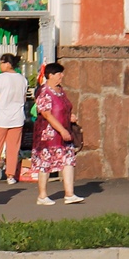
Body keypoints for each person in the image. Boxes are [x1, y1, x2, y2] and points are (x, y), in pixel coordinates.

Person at [31, 62, 83, 205]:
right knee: (45, 164)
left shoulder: (60, 91)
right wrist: (61, 129)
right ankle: (42, 195)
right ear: (51, 75)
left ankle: (69, 193)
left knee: (68, 161)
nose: (62, 76)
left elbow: (64, 108)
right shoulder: (44, 92)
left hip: (64, 133)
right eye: (59, 73)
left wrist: (70, 117)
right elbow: (47, 114)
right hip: (48, 135)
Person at [0, 53, 27, 184]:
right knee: (13, 147)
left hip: (1, 117)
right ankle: (10, 175)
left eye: (1, 62)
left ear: (8, 64)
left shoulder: (1, 78)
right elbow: (24, 98)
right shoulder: (22, 79)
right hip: (17, 117)